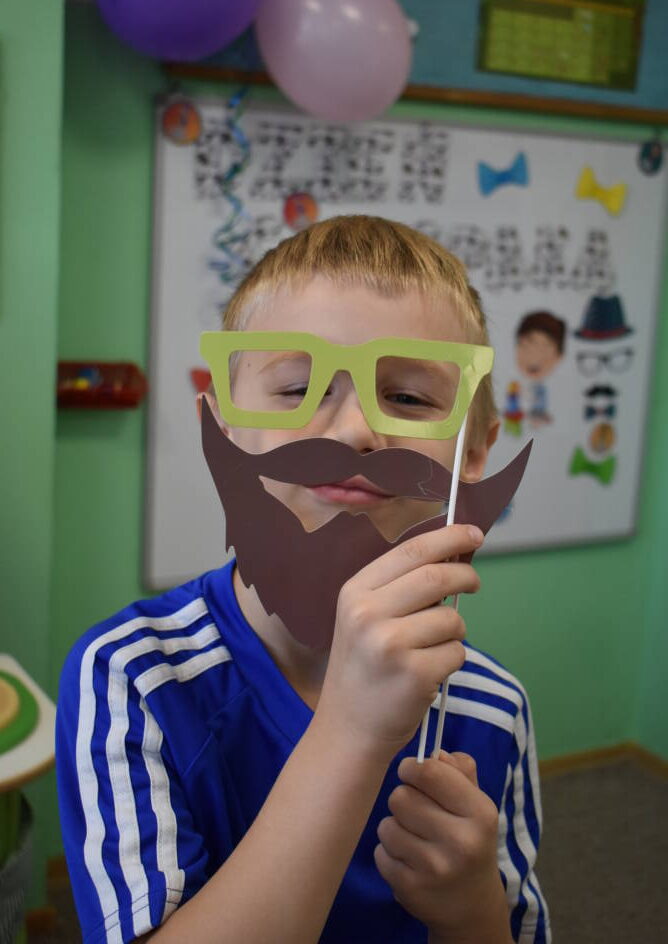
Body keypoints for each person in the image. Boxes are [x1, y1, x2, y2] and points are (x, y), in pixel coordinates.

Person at [56, 216, 550, 944]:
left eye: (409, 399)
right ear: (224, 429)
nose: (353, 430)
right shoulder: (132, 676)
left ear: (473, 455)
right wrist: (352, 730)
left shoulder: (494, 705)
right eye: (296, 387)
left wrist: (473, 907)